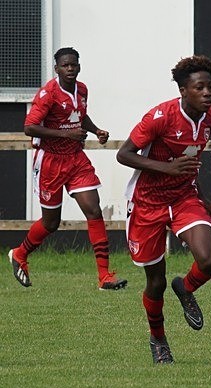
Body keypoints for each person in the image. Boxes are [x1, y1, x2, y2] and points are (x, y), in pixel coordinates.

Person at [116, 55, 211, 364]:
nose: (207, 93)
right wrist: (167, 167)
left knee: (210, 259)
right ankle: (158, 338)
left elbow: (190, 161)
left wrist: (202, 196)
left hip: (183, 198)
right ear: (183, 90)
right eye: (199, 87)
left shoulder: (210, 117)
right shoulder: (160, 117)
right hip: (148, 202)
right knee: (155, 283)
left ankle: (185, 288)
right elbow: (124, 154)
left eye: (210, 87)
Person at [9, 47, 127, 291]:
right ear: (57, 69)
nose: (70, 69)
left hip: (75, 159)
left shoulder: (82, 89)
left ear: (79, 66)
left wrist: (96, 131)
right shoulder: (48, 94)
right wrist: (66, 133)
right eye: (65, 65)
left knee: (94, 211)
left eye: (73, 65)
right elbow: (29, 128)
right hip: (50, 161)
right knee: (51, 223)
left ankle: (104, 277)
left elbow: (79, 115)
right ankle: (19, 254)